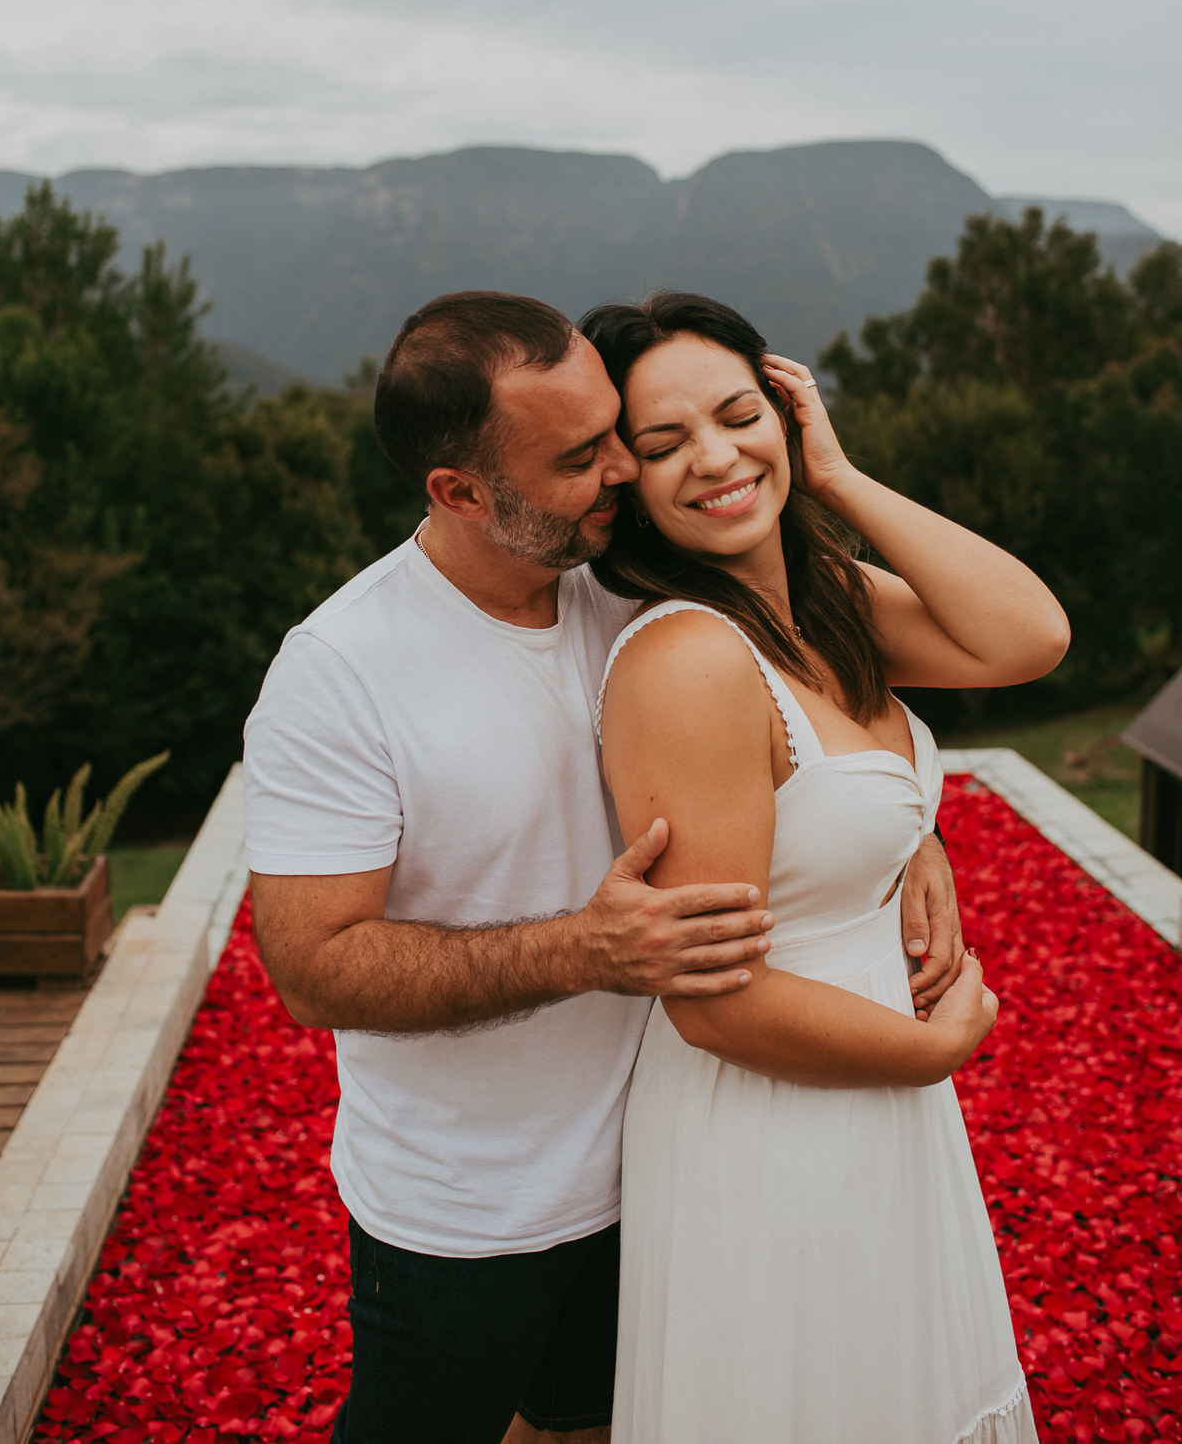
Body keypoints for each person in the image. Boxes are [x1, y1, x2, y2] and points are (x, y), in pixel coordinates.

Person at [245, 290, 970, 1444]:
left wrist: (907, 830)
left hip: (672, 1160)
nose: (628, 470)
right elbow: (314, 968)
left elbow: (804, 726)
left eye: (614, 430)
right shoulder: (341, 671)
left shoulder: (632, 587)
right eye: (582, 457)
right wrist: (587, 948)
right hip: (472, 1208)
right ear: (461, 492)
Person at [582, 291, 1069, 1444]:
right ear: (628, 481)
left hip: (872, 1101)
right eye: (664, 444)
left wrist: (839, 476)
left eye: (740, 412)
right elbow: (713, 1000)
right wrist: (932, 1049)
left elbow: (1028, 636)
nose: (715, 457)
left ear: (786, 411)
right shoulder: (692, 655)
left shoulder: (819, 605)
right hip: (769, 1123)